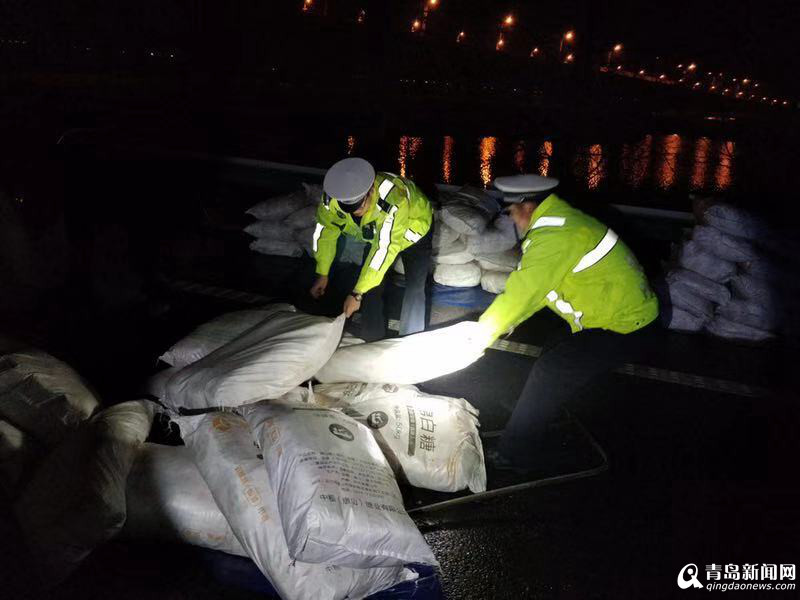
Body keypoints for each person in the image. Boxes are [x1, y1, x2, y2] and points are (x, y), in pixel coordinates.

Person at [477, 174, 660, 473]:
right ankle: (534, 412)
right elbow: (541, 288)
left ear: (527, 206)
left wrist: (482, 334)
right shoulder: (558, 223)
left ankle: (515, 454)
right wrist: (511, 320)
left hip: (628, 327)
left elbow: (526, 289)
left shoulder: (557, 236)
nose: (512, 219)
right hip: (612, 317)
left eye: (512, 212)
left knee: (553, 369)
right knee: (552, 352)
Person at [309, 157, 434, 341]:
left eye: (359, 207)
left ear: (371, 190)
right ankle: (371, 339)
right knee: (371, 289)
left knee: (415, 288)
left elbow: (385, 248)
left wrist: (356, 294)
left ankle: (411, 341)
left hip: (415, 231)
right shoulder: (332, 199)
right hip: (378, 234)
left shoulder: (393, 199)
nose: (356, 213)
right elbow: (325, 232)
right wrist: (322, 272)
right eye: (348, 209)